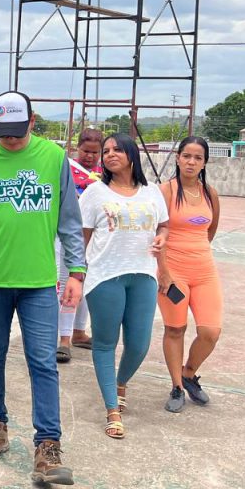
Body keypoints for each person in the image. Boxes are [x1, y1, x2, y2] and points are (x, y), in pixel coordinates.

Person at [0, 91, 84, 486]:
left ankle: (47, 446)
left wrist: (76, 272)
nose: (9, 140)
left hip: (39, 282)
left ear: (33, 121)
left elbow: (70, 220)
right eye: (2, 132)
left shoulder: (53, 158)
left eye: (17, 132)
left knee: (42, 361)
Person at [79, 134, 168, 438]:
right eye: (106, 151)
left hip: (144, 274)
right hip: (105, 276)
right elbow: (83, 236)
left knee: (139, 345)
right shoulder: (94, 192)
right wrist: (80, 273)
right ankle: (112, 409)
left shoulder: (152, 192)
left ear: (132, 153)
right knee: (105, 344)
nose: (110, 154)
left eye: (117, 149)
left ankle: (120, 383)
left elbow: (163, 224)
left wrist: (163, 238)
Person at [157, 136, 223, 413]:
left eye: (197, 157)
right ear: (177, 158)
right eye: (186, 156)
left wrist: (196, 253)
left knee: (210, 331)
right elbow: (156, 233)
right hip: (173, 271)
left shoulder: (210, 193)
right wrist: (164, 271)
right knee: (175, 328)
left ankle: (189, 373)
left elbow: (210, 230)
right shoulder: (166, 191)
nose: (191, 162)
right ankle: (175, 386)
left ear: (204, 162)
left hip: (204, 270)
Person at [56, 128, 104, 363]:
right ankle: (64, 339)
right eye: (86, 151)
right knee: (68, 284)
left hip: (95, 239)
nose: (90, 156)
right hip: (68, 236)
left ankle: (79, 332)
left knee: (86, 286)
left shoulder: (105, 173)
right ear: (77, 148)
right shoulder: (66, 168)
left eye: (95, 152)